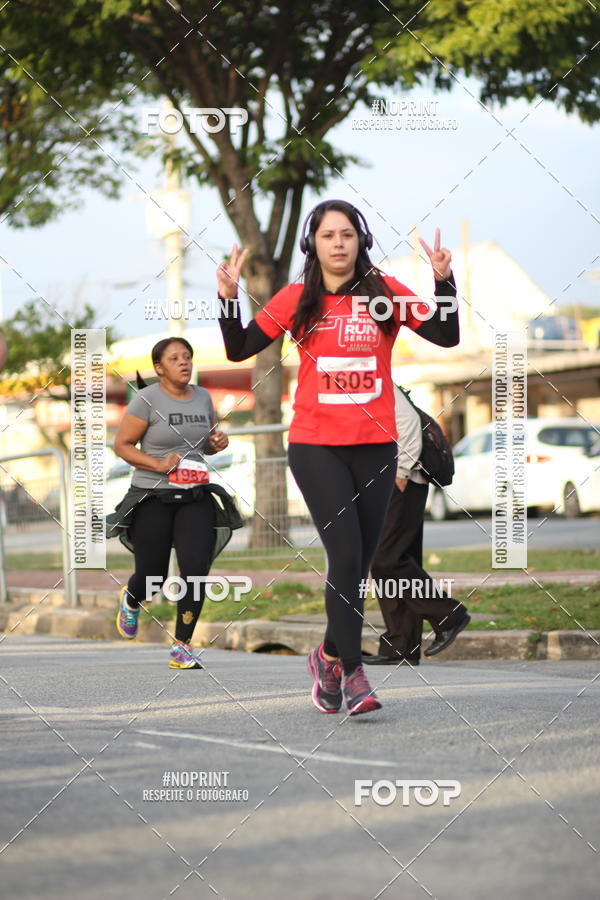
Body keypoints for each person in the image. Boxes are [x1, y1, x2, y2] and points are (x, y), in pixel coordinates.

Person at [216, 199, 460, 715]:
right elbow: (238, 348)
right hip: (316, 445)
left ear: (360, 240)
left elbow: (445, 334)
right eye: (328, 235)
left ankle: (327, 657)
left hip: (375, 447)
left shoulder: (384, 293)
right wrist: (227, 298)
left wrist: (443, 283)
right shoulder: (296, 298)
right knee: (345, 558)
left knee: (361, 563)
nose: (339, 243)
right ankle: (353, 675)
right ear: (313, 244)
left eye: (347, 234)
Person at [112, 337, 229, 668]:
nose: (184, 362)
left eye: (188, 356)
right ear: (159, 368)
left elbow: (205, 443)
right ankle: (131, 600)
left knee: (195, 570)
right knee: (153, 575)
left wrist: (216, 442)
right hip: (153, 496)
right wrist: (158, 464)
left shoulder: (203, 397)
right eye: (175, 358)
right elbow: (122, 445)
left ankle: (183, 646)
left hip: (196, 495)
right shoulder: (146, 399)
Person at [364, 385, 470, 666]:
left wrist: (400, 472)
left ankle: (449, 614)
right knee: (395, 559)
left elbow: (408, 423)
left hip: (402, 481)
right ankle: (401, 645)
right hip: (390, 482)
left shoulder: (374, 378)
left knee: (385, 559)